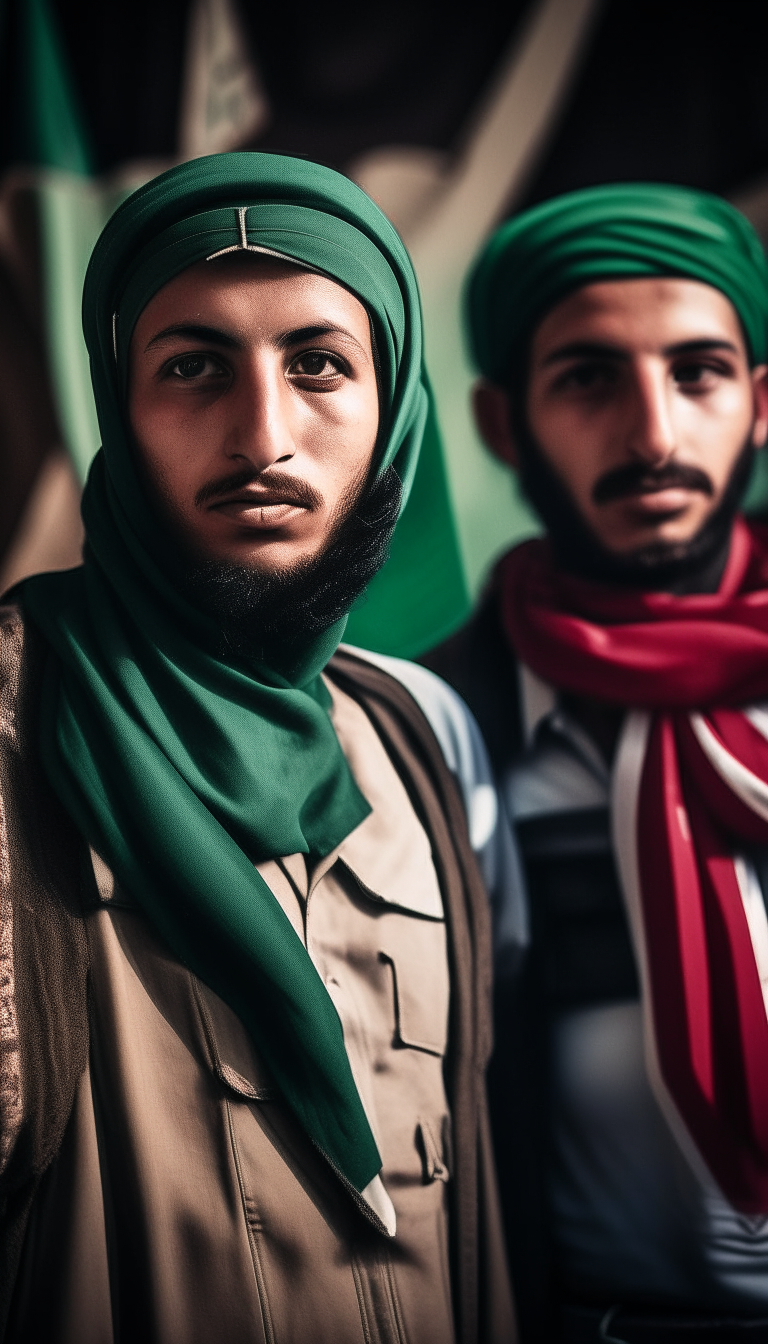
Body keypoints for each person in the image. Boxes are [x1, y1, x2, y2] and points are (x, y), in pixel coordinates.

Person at [0, 152, 516, 1344]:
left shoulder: (412, 745)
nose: (263, 434)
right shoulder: (23, 721)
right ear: (114, 401)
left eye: (321, 364)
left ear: (398, 407)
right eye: (191, 367)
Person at [424, 183, 768, 1342]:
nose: (655, 435)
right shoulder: (430, 722)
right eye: (587, 378)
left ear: (762, 403)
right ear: (504, 423)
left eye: (699, 373)